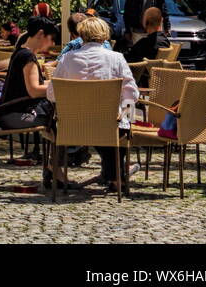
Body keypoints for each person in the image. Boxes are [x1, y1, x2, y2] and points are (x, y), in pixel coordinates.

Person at [49, 15, 139, 192]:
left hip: (72, 126)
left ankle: (56, 168)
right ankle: (116, 177)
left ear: (81, 34)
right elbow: (131, 93)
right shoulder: (117, 58)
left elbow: (52, 94)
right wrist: (128, 118)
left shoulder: (67, 59)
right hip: (108, 127)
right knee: (125, 117)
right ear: (104, 35)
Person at [0, 18, 60, 131]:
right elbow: (34, 90)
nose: (53, 43)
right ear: (41, 34)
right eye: (52, 38)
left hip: (7, 112)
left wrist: (54, 83)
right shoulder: (28, 57)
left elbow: (34, 84)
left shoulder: (21, 51)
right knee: (58, 120)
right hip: (15, 115)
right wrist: (63, 89)